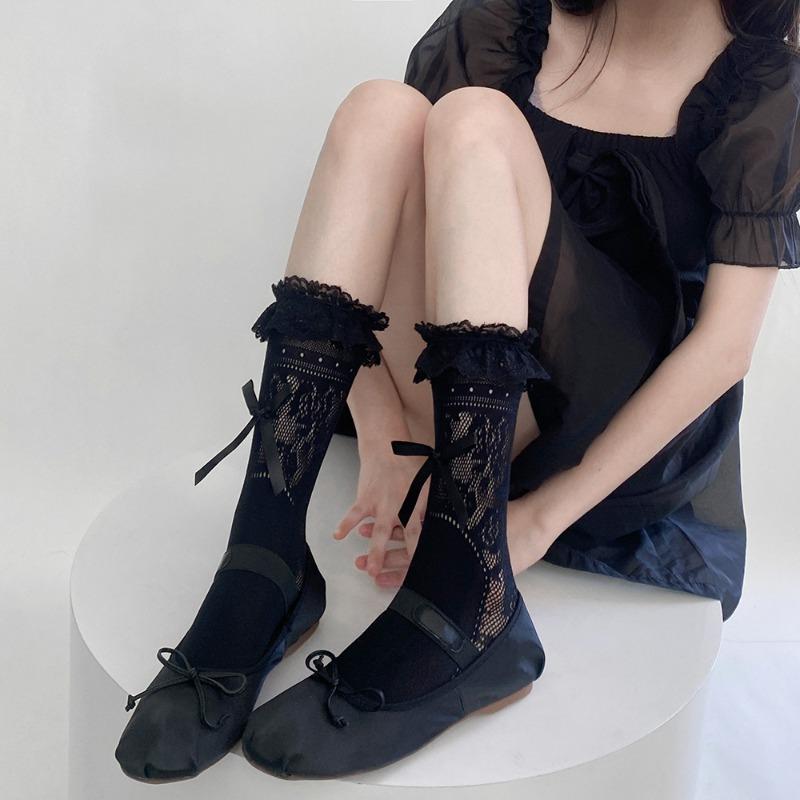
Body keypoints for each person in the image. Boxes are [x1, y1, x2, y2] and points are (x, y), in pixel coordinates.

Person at [115, 0, 800, 783]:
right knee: (381, 112)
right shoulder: (507, 22)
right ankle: (264, 558)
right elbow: (379, 222)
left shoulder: (760, 85)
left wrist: (540, 520)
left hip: (595, 426)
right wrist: (383, 428)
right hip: (452, 399)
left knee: (476, 122)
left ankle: (471, 597)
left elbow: (724, 349)